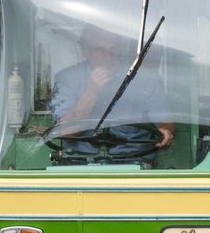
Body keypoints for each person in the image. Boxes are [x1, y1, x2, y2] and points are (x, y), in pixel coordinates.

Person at [47, 24, 175, 152]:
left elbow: (165, 121)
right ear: (85, 51)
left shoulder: (145, 80)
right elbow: (67, 132)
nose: (107, 57)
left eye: (113, 50)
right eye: (100, 50)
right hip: (80, 161)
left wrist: (166, 131)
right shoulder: (67, 79)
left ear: (120, 51)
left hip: (132, 160)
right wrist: (91, 91)